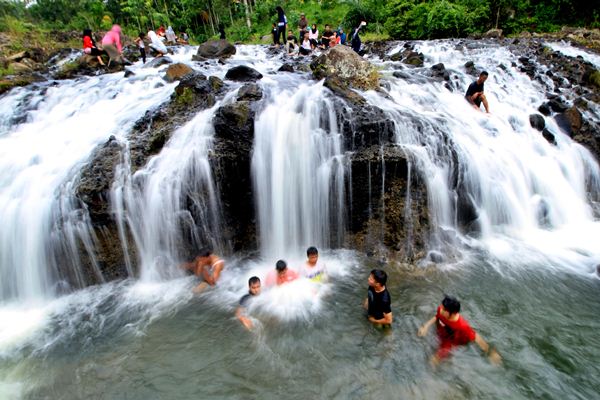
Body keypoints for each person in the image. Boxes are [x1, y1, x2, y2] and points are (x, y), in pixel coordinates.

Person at [417, 295, 502, 366]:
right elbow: (437, 317)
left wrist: (490, 353)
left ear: (453, 313)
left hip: (453, 340)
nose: (440, 309)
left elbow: (476, 337)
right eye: (442, 307)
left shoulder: (462, 325)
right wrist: (426, 326)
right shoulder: (442, 310)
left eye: (444, 309)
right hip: (444, 331)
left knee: (433, 361)